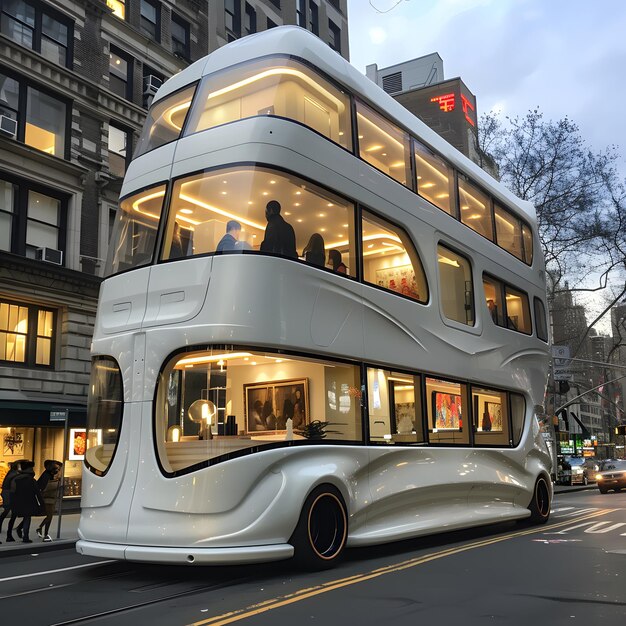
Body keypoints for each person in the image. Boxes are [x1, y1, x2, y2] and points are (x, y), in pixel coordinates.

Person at [6, 460, 41, 544]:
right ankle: (24, 536)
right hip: (27, 500)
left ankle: (9, 535)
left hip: (17, 500)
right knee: (27, 518)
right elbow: (37, 492)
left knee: (14, 518)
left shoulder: (15, 478)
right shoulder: (30, 479)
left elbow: (12, 491)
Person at [35, 460, 62, 542]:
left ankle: (44, 531)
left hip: (50, 497)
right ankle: (42, 530)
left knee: (50, 516)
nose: (58, 469)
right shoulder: (47, 475)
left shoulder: (49, 474)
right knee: (49, 516)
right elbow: (44, 487)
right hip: (47, 498)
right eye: (56, 467)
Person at [0, 460, 21, 540]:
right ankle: (9, 534)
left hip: (6, 493)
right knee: (12, 513)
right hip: (10, 494)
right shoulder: (14, 474)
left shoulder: (10, 473)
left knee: (7, 511)